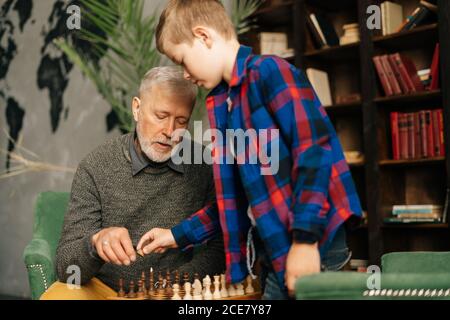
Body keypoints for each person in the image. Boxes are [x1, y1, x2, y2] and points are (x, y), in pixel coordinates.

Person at [137, 0, 363, 299]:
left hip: (314, 245)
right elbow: (235, 199)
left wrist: (306, 241)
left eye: (182, 60)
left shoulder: (269, 72)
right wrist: (177, 235)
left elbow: (315, 153)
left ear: (203, 36)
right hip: (275, 252)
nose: (186, 75)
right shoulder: (224, 104)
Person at [41, 66, 225, 300]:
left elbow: (219, 248)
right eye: (161, 116)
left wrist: (169, 286)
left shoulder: (204, 166)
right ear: (137, 108)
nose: (170, 131)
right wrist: (94, 244)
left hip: (176, 292)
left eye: (181, 121)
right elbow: (67, 268)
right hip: (106, 292)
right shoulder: (96, 166)